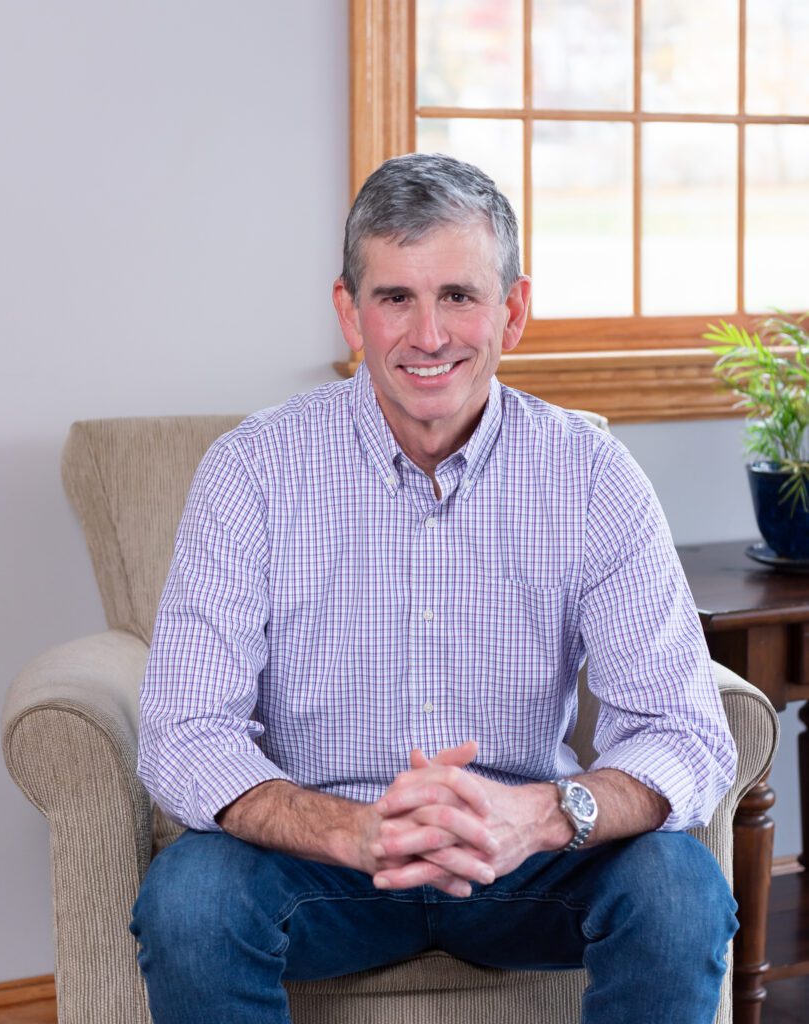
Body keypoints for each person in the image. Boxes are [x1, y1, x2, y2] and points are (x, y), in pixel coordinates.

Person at [131, 153, 738, 1024]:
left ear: (512, 311)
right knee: (190, 899)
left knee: (677, 888)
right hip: (323, 865)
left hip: (525, 861)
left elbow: (683, 732)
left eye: (458, 295)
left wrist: (536, 816)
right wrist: (348, 829)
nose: (428, 335)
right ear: (349, 311)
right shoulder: (251, 472)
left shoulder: (592, 474)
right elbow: (185, 733)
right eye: (394, 298)